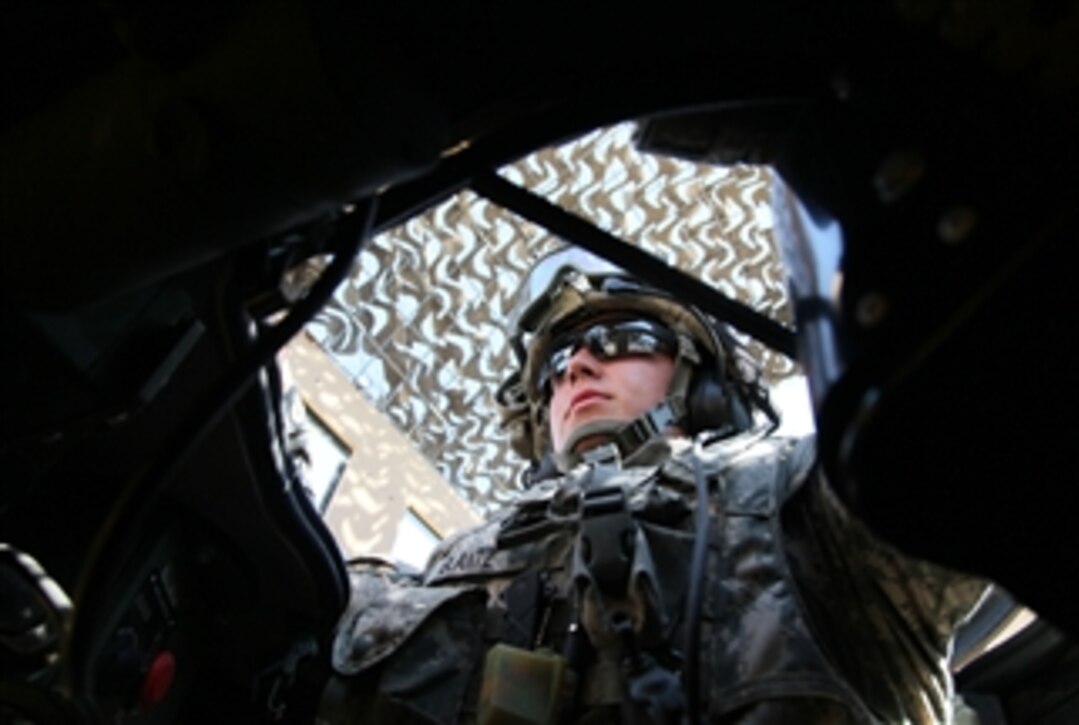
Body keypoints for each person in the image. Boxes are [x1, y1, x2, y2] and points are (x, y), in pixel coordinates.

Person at [318, 246, 989, 724]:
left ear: (697, 383)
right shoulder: (441, 566)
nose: (577, 364)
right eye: (556, 359)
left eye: (621, 336)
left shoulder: (800, 497)